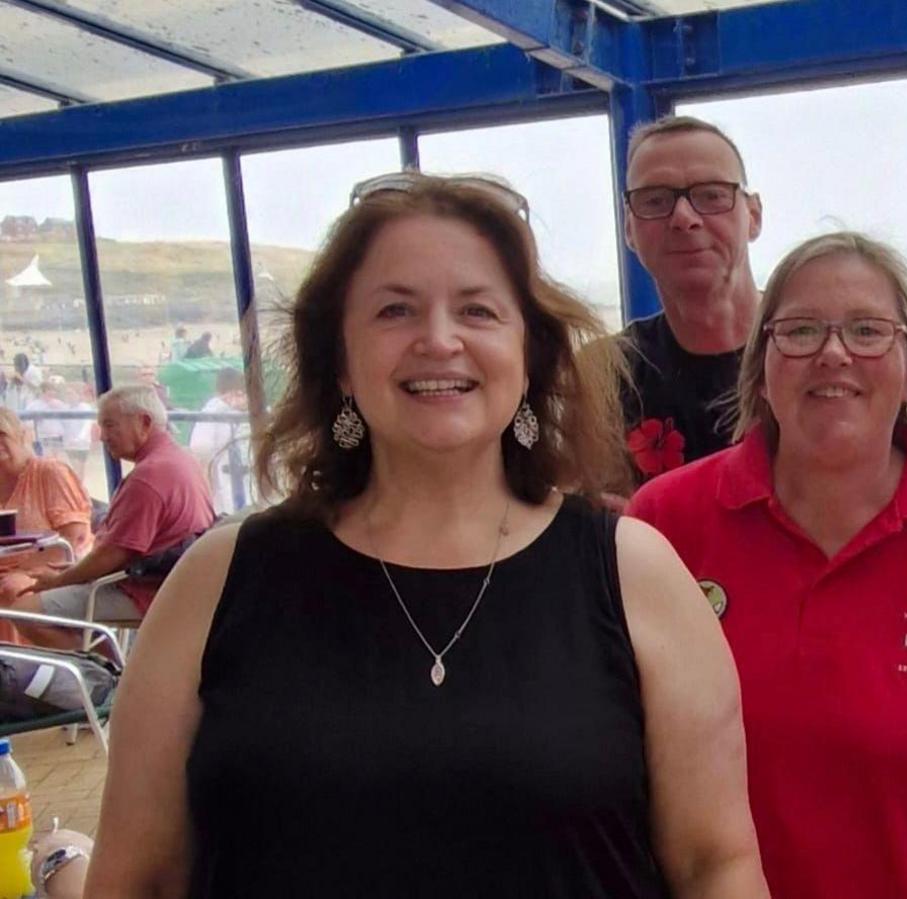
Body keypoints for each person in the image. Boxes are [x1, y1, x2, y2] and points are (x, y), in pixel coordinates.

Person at [86, 173, 768, 898]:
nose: (438, 340)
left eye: (477, 310)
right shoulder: (219, 579)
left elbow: (713, 863)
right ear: (340, 361)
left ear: (529, 355)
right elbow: (139, 873)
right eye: (394, 310)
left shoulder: (633, 573)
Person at [628, 231, 907, 899]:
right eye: (801, 330)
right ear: (760, 366)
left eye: (868, 330)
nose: (833, 353)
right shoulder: (663, 526)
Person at [616, 115, 762, 485]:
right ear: (629, 228)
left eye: (711, 195)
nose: (683, 218)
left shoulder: (820, 352)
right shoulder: (603, 378)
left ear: (754, 216)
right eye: (654, 200)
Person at [13, 384, 213, 649]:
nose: (102, 437)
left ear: (144, 422)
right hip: (171, 578)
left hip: (146, 588)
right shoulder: (181, 459)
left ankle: (104, 672)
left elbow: (113, 555)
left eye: (110, 426)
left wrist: (59, 581)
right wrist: (73, 572)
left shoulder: (148, 477)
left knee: (23, 611)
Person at [0, 406, 95, 642]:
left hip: (52, 568)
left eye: (2, 436)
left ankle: (26, 668)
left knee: (12, 588)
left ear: (22, 436)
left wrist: (22, 570)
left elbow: (74, 537)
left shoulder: (49, 472)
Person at [188, 367, 250, 514]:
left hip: (245, 482)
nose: (241, 398)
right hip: (226, 482)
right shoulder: (214, 411)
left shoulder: (251, 412)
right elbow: (200, 449)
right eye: (238, 393)